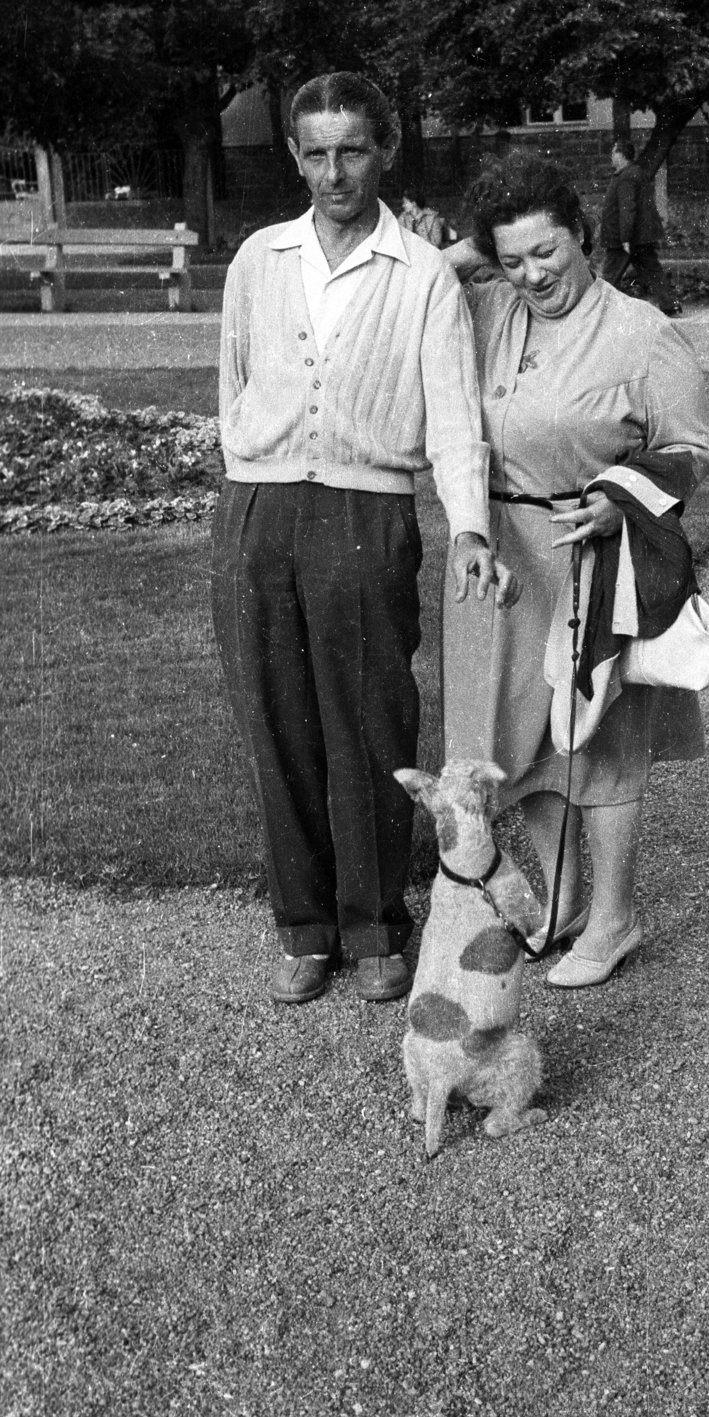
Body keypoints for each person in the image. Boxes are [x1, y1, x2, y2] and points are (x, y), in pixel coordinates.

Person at [211, 72, 519, 1008]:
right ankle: (305, 929)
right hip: (258, 513)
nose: (333, 172)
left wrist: (467, 525)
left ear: (383, 151)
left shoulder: (420, 272)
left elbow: (455, 417)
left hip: (363, 513)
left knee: (369, 724)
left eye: (351, 150)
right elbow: (234, 382)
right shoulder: (258, 257)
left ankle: (376, 923)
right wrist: (252, 482)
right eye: (315, 152)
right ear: (295, 157)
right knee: (278, 723)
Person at [443, 151, 709, 989]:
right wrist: (472, 250)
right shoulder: (483, 309)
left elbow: (689, 452)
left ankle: (614, 918)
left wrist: (618, 500)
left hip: (593, 559)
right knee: (518, 739)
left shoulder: (641, 331)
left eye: (547, 253)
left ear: (582, 236)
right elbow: (413, 277)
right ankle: (558, 898)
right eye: (511, 259)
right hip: (500, 556)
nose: (531, 275)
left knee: (597, 747)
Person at [598, 138, 681, 316]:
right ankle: (670, 304)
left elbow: (628, 208)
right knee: (652, 270)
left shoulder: (627, 176)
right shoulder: (635, 173)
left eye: (613, 152)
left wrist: (625, 238)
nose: (611, 156)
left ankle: (600, 311)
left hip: (624, 238)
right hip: (640, 236)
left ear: (621, 155)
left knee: (610, 276)